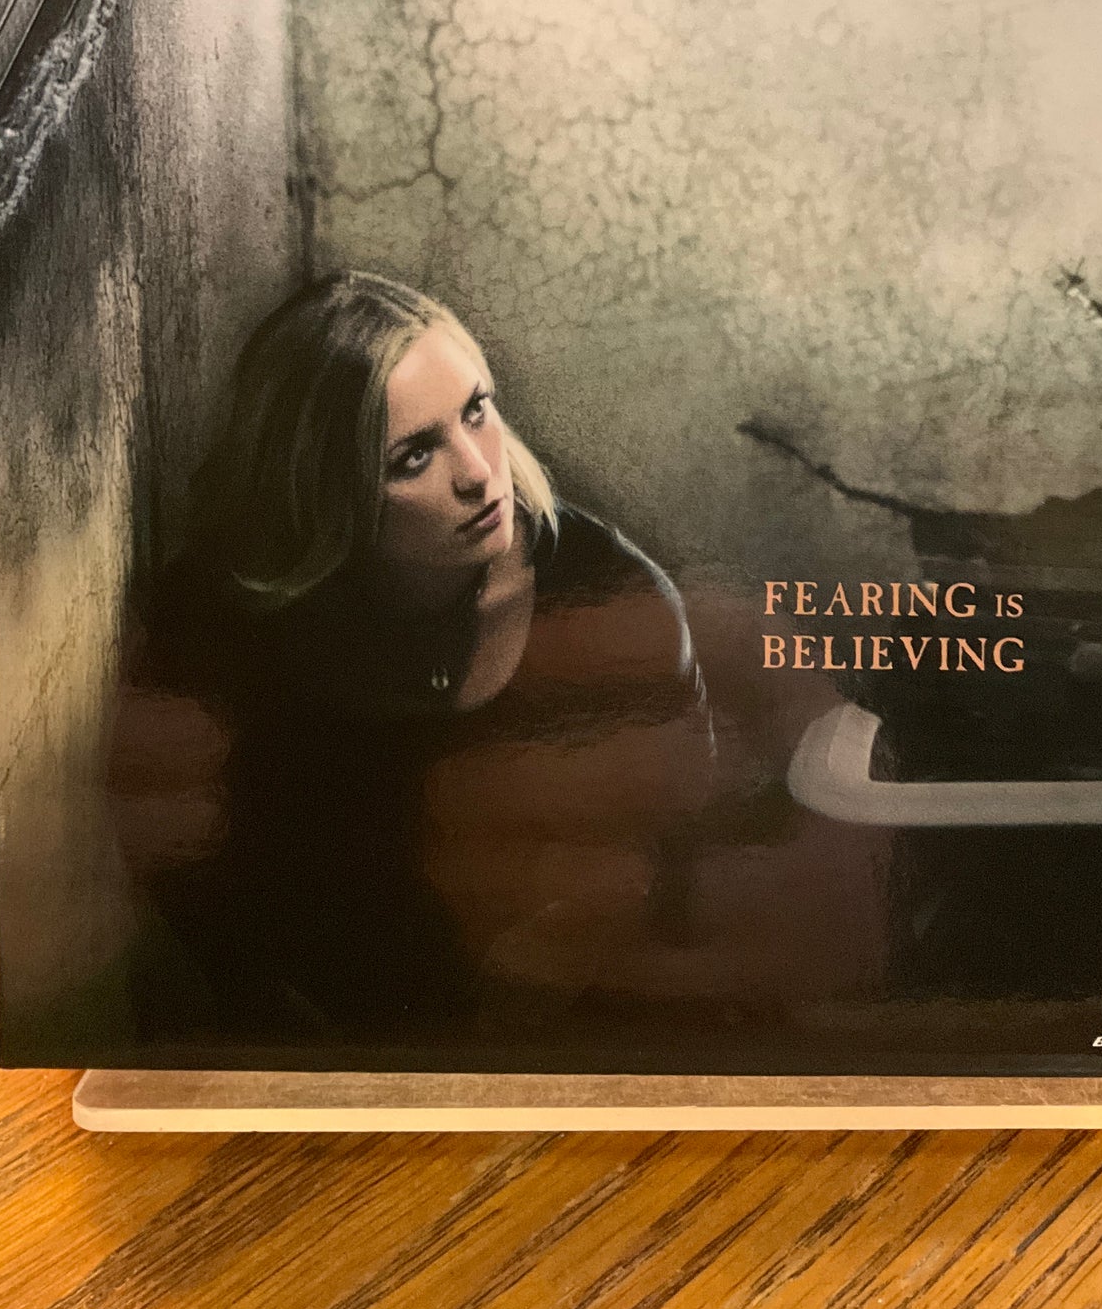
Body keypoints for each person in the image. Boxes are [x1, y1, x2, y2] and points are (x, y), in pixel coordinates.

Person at [113, 270, 717, 1047]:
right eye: (412, 457)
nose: (477, 472)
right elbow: (209, 914)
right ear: (328, 491)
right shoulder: (221, 626)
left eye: (476, 411)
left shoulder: (613, 599)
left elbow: (673, 857)